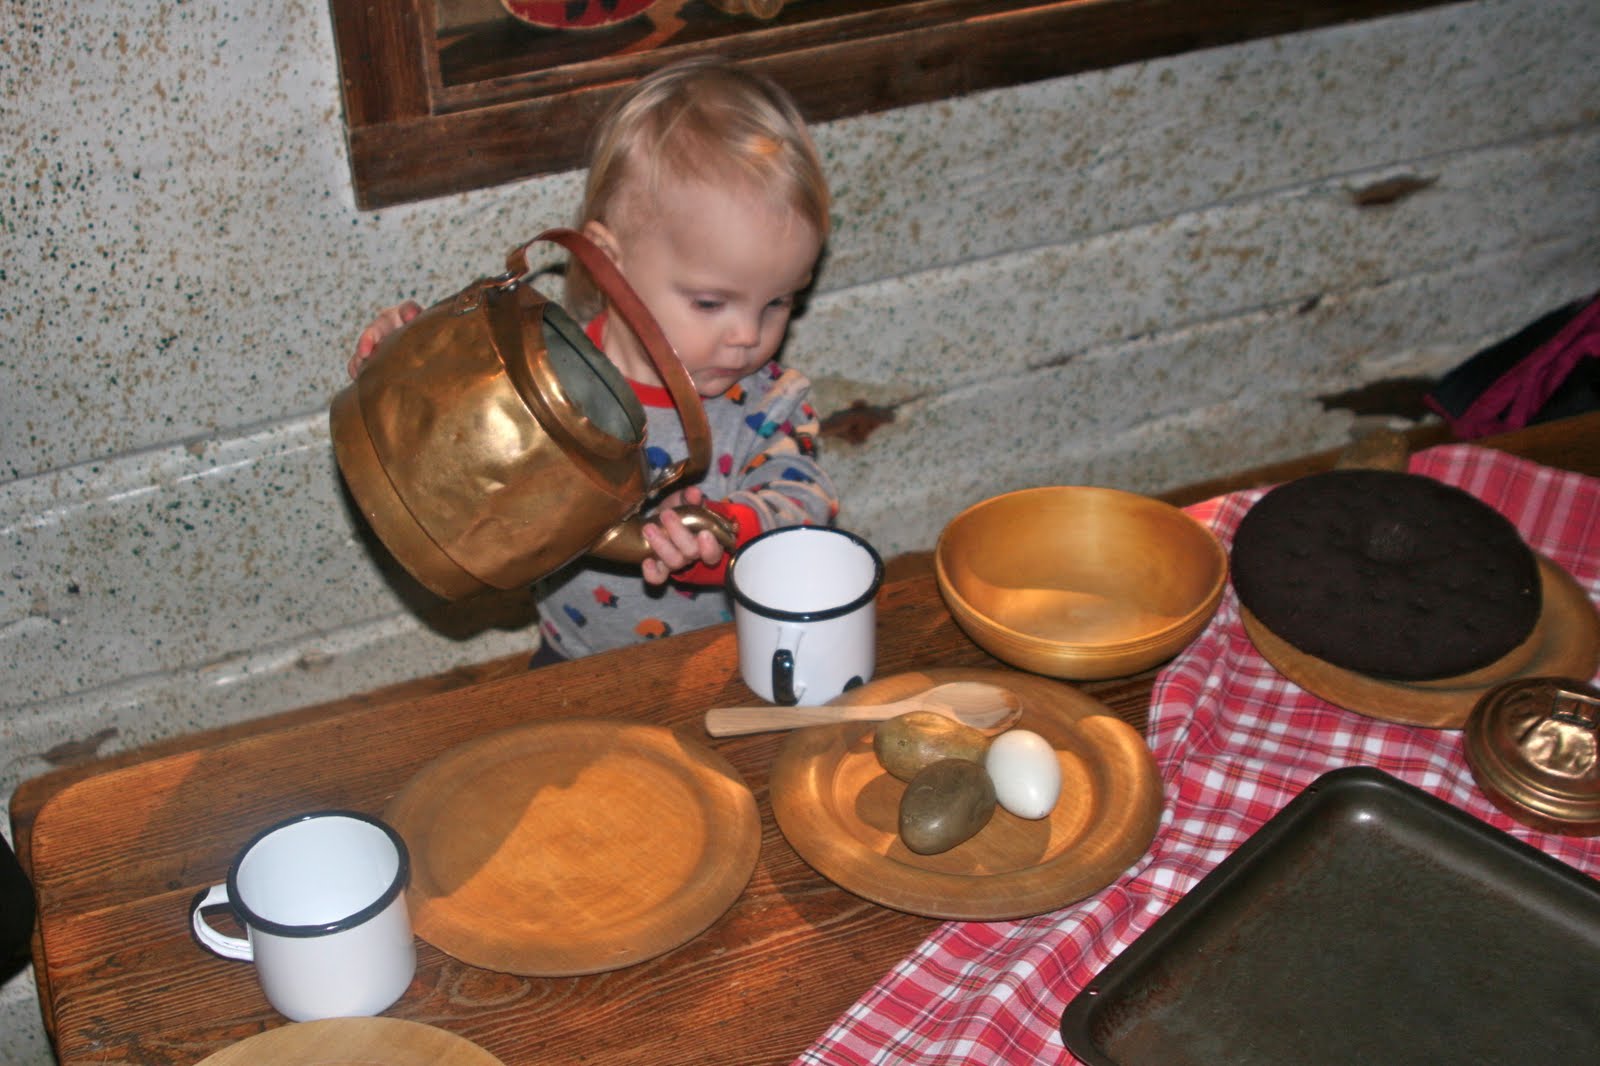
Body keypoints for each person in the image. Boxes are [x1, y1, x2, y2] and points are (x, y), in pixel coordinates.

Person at [349, 56, 839, 661]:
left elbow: (805, 503)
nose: (747, 335)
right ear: (610, 259)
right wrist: (407, 366)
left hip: (724, 663)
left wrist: (730, 524)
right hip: (571, 661)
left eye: (779, 302)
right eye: (711, 302)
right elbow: (453, 451)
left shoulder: (772, 403)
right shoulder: (540, 375)